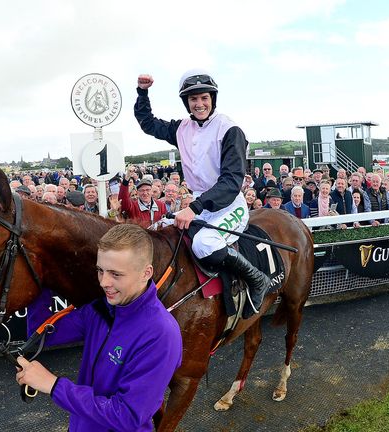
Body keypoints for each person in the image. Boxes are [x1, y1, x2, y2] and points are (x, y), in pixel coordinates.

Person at [16, 224, 182, 431]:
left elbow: (128, 416)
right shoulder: (101, 309)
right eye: (100, 270)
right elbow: (43, 333)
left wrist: (53, 385)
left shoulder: (161, 334)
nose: (104, 282)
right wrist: (42, 275)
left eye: (116, 274)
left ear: (146, 273)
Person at [134, 70, 270, 311]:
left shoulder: (230, 129)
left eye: (204, 98)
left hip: (229, 204)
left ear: (212, 99)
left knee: (204, 244)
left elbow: (230, 183)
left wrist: (193, 208)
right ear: (187, 102)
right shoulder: (182, 128)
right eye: (193, 99)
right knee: (152, 235)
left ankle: (256, 278)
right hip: (197, 205)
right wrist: (142, 92)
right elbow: (148, 123)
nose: (199, 104)